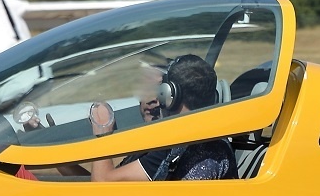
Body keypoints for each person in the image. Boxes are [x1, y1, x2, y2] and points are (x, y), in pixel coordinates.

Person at [89, 54, 233, 182]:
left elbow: (103, 183)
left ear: (168, 93)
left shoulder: (181, 147)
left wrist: (103, 132)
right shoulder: (195, 138)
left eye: (159, 89)